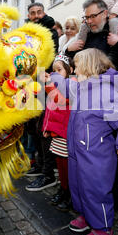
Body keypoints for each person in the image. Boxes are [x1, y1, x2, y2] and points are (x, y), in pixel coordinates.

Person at [45, 48, 118, 235]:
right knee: (78, 186)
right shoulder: (82, 88)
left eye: (77, 67)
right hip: (78, 152)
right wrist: (52, 75)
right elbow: (63, 85)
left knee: (95, 190)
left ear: (88, 67)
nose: (74, 71)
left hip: (96, 155)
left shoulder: (105, 93)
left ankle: (103, 228)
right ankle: (88, 217)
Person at [66, 0, 118, 91]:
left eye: (93, 16)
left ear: (105, 13)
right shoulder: (85, 37)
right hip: (89, 92)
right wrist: (69, 51)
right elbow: (77, 66)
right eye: (87, 17)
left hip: (116, 92)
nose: (89, 21)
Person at [24, 1, 59, 192]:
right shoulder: (26, 33)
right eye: (32, 13)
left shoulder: (50, 30)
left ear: (44, 13)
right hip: (29, 84)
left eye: (39, 12)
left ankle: (48, 172)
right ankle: (39, 164)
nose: (36, 15)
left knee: (43, 128)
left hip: (45, 83)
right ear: (28, 16)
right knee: (32, 128)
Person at [41, 54, 75, 211]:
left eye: (59, 70)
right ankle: (63, 189)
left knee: (68, 167)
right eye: (53, 70)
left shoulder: (72, 85)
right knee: (60, 166)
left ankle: (70, 194)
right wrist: (46, 128)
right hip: (57, 133)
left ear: (70, 71)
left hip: (66, 134)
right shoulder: (54, 87)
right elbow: (50, 110)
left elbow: (60, 100)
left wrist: (48, 84)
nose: (55, 74)